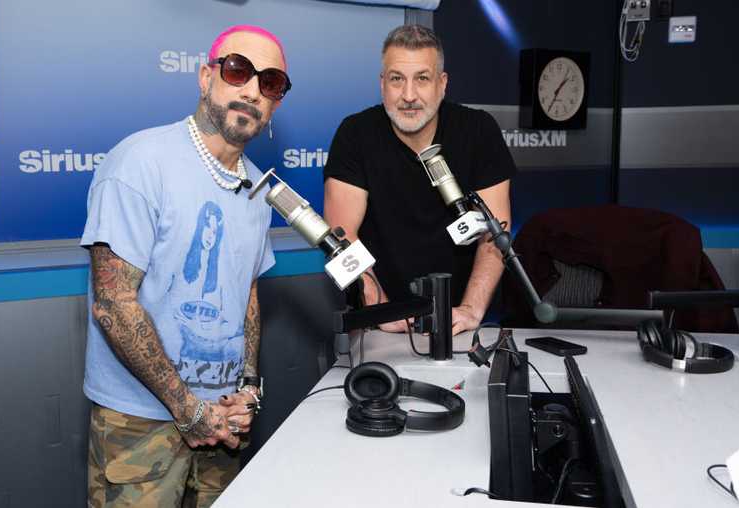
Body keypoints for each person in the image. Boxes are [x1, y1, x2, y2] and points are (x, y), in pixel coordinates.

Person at [81, 24, 291, 507]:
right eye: (238, 70)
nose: (252, 91)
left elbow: (247, 294)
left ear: (277, 101)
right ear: (205, 77)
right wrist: (185, 406)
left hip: (224, 418)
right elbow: (113, 304)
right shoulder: (139, 162)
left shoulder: (258, 188)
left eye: (270, 83)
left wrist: (249, 387)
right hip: (140, 421)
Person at [323, 24, 516, 336]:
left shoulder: (479, 130)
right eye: (397, 79)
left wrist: (471, 309)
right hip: (380, 322)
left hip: (463, 322)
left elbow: (496, 232)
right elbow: (341, 237)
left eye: (422, 79)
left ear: (442, 84)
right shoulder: (355, 134)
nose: (409, 96)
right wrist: (379, 308)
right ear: (382, 84)